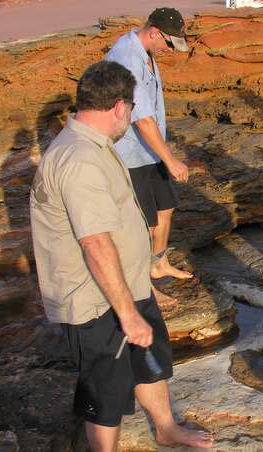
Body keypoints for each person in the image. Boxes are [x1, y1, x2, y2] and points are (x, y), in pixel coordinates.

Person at [30, 60, 213, 451]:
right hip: (94, 299)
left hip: (126, 284)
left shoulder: (94, 144)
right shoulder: (79, 158)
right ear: (118, 106)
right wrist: (128, 315)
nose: (130, 118)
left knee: (151, 360)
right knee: (107, 387)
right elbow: (94, 243)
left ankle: (166, 429)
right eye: (131, 109)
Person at [105, 7, 193, 308]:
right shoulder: (127, 58)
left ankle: (159, 263)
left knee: (165, 208)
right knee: (139, 223)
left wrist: (162, 155)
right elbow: (141, 119)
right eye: (169, 43)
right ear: (155, 32)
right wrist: (170, 160)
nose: (170, 50)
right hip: (129, 153)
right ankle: (141, 285)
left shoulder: (146, 52)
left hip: (148, 151)